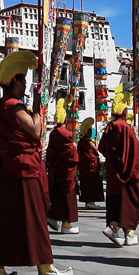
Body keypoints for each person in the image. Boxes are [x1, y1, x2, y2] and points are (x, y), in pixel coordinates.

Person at [0, 50, 73, 275]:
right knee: (34, 217)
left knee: (5, 218)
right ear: (14, 81)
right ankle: (46, 270)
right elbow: (35, 130)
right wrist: (37, 108)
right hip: (23, 169)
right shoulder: (14, 106)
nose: (25, 84)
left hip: (9, 168)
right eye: (22, 80)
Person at [99, 88, 139, 247]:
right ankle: (129, 233)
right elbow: (133, 152)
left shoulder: (110, 127)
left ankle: (114, 226)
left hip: (114, 173)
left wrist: (114, 162)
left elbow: (102, 148)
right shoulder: (125, 128)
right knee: (131, 203)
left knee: (117, 201)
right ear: (124, 110)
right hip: (129, 173)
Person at [45, 99, 79, 234]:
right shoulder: (66, 133)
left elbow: (51, 152)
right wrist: (74, 148)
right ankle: (66, 224)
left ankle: (53, 217)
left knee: (57, 195)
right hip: (66, 172)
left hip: (56, 171)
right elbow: (70, 153)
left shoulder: (54, 133)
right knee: (67, 197)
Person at [77, 118, 103, 209]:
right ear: (88, 132)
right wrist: (96, 142)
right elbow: (96, 149)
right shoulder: (87, 141)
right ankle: (90, 202)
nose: (92, 133)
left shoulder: (82, 141)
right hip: (90, 166)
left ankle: (90, 201)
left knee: (88, 184)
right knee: (91, 183)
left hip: (86, 166)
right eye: (91, 131)